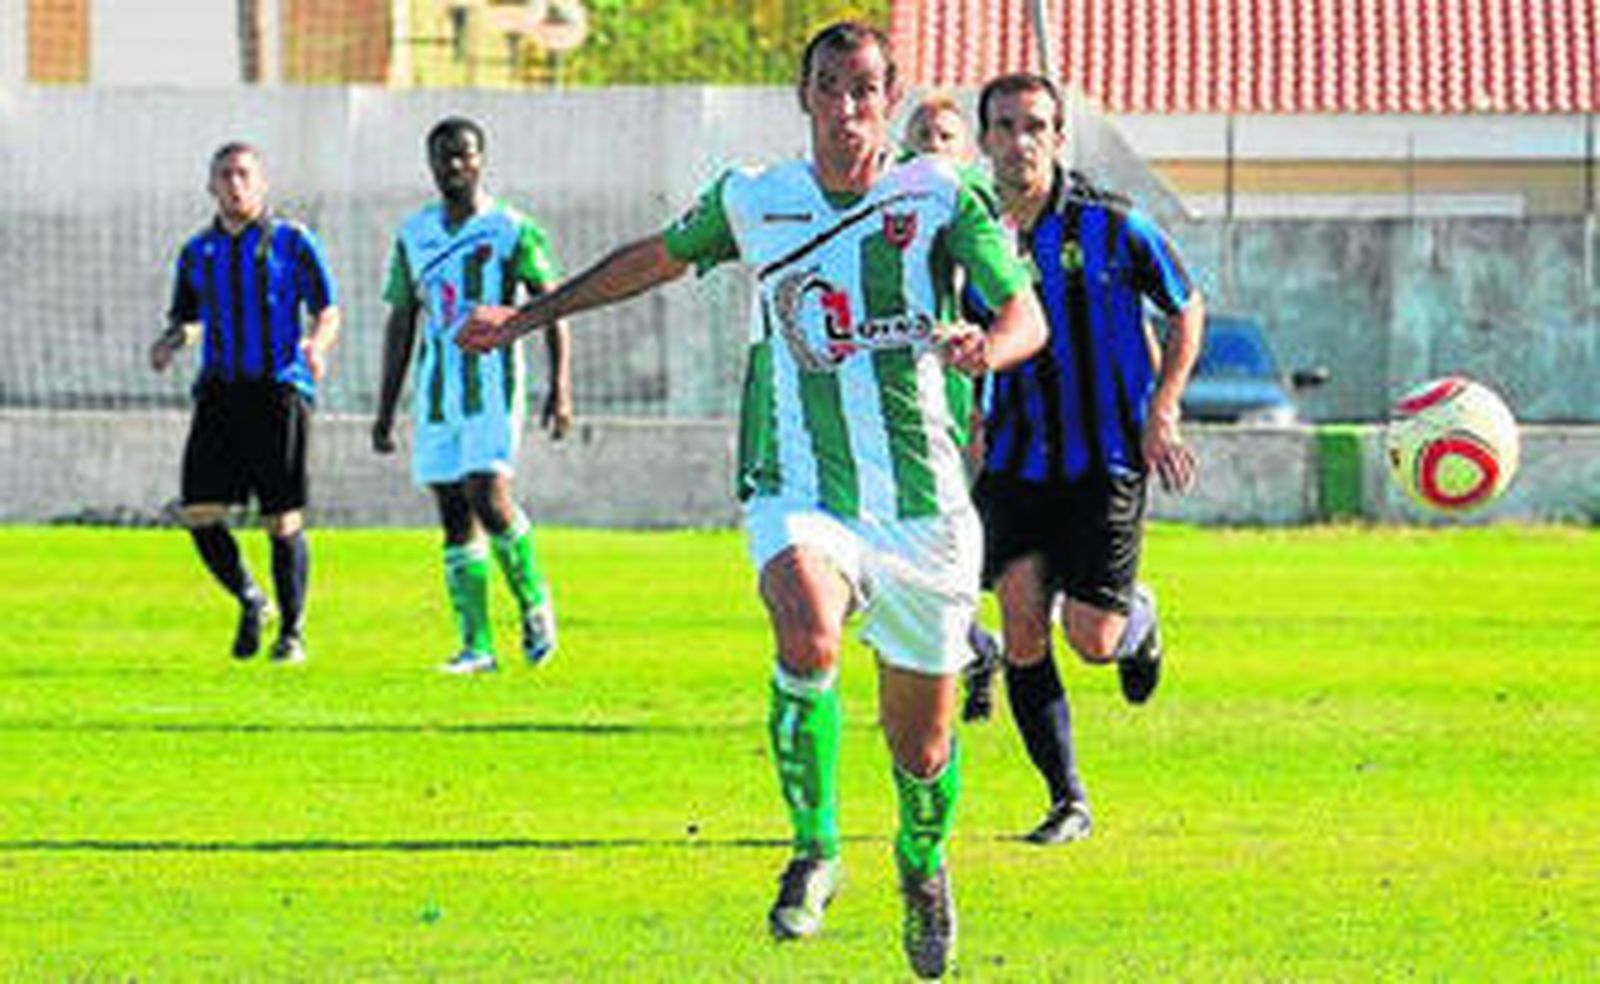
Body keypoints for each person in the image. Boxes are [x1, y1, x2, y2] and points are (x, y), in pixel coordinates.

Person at [458, 22, 1046, 979]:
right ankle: (813, 849)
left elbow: (1024, 309)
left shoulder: (940, 194)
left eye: (865, 89)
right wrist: (529, 316)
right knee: (807, 628)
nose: (848, 107)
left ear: (888, 99)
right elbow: (649, 258)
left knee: (925, 745)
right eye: (830, 87)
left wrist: (993, 343)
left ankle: (921, 863)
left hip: (923, 504)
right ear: (802, 96)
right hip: (797, 478)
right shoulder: (755, 199)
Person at [968, 72, 1205, 846]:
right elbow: (972, 335)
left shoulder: (1114, 227)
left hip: (1105, 458)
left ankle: (1137, 618)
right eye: (1004, 126)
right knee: (1021, 624)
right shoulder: (972, 240)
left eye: (1035, 125)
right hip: (1013, 462)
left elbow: (1186, 306)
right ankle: (1067, 801)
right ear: (986, 141)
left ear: (1059, 137)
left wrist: (1164, 407)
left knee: (1090, 639)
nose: (1019, 140)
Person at [372, 116, 572, 675]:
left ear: (482, 160)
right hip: (436, 395)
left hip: (492, 386)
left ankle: (534, 603)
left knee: (488, 495)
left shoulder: (511, 228)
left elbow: (551, 305)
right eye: (443, 156)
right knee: (454, 514)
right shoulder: (414, 234)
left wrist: (560, 387)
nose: (454, 165)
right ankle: (477, 646)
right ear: (430, 163)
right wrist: (386, 410)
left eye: (464, 155)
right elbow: (402, 320)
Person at [148, 141, 341, 666]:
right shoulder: (196, 252)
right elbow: (188, 318)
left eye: (244, 175)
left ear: (262, 183)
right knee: (198, 511)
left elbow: (327, 308)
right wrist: (171, 342)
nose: (235, 184)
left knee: (282, 520)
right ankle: (251, 599)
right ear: (211, 186)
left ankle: (293, 633)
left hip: (279, 390)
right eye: (225, 175)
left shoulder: (294, 242)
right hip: (219, 392)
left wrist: (317, 347)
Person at [902, 93, 1004, 724]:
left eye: (944, 136)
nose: (932, 146)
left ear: (966, 150)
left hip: (954, 392)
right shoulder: (893, 198)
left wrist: (980, 414)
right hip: (891, 393)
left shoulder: (968, 195)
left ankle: (974, 646)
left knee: (941, 545)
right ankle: (973, 646)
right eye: (921, 135)